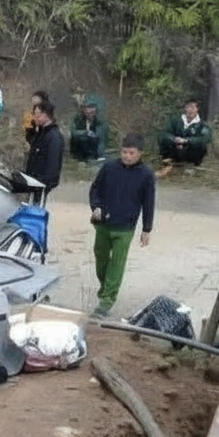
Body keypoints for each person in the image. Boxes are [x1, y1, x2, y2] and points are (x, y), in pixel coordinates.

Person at [88, 133, 156, 317]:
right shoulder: (109, 167)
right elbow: (95, 189)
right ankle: (105, 288)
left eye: (131, 153)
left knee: (116, 264)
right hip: (104, 222)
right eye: (124, 152)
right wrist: (96, 206)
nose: (127, 156)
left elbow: (148, 203)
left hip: (125, 227)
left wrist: (146, 229)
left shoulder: (146, 175)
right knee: (101, 259)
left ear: (140, 153)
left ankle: (107, 300)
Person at [158, 98, 212, 170]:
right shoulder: (174, 120)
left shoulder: (202, 125)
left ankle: (192, 165)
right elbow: (164, 133)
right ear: (185, 108)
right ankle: (168, 162)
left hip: (191, 153)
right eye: (188, 107)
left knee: (201, 146)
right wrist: (174, 140)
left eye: (193, 107)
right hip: (174, 149)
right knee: (163, 140)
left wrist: (186, 141)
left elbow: (205, 139)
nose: (190, 110)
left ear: (197, 109)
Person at [24, 100, 64, 194]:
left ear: (45, 115)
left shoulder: (53, 137)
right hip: (33, 178)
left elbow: (52, 162)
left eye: (37, 115)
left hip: (42, 181)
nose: (34, 118)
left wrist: (46, 181)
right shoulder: (40, 133)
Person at [70, 94, 108, 162]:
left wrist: (99, 155)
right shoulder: (78, 119)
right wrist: (85, 133)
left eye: (91, 108)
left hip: (93, 151)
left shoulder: (99, 122)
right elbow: (73, 132)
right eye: (85, 108)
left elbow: (101, 140)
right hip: (78, 151)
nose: (88, 111)